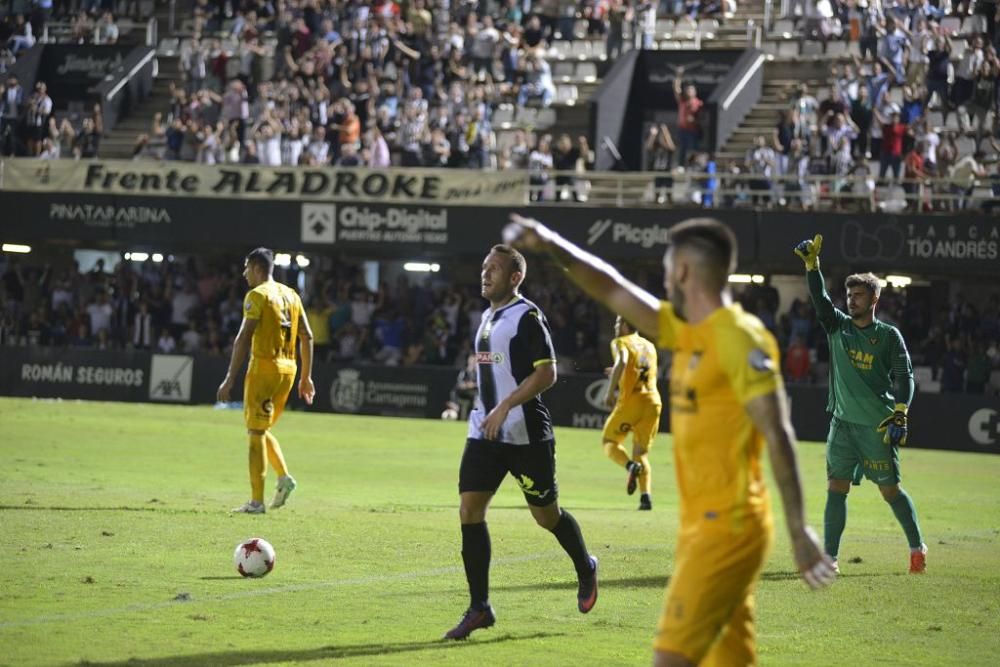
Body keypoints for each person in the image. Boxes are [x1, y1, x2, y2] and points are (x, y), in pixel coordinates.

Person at [503, 215, 834, 666]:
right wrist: (550, 242)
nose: (662, 276)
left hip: (728, 529)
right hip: (705, 525)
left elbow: (778, 433)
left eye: (666, 265)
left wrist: (799, 530)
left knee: (670, 659)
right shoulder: (686, 331)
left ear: (683, 271)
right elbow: (611, 286)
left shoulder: (739, 339)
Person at [445, 244, 598, 641]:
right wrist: (485, 410)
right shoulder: (485, 318)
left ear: (515, 278)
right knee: (469, 510)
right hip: (484, 433)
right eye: (483, 267)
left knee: (546, 516)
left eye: (493, 269)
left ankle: (585, 566)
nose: (485, 274)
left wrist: (506, 406)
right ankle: (480, 607)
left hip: (525, 436)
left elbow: (546, 374)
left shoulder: (527, 317)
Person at [794, 235, 926, 574]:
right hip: (842, 424)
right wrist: (813, 267)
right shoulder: (837, 326)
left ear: (875, 298)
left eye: (859, 295)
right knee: (835, 488)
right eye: (849, 295)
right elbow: (821, 301)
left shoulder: (888, 336)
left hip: (876, 426)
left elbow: (905, 376)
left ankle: (916, 548)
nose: (851, 300)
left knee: (890, 491)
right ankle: (831, 558)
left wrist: (901, 412)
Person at [217, 248, 315, 514]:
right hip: (289, 369)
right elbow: (307, 336)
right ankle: (283, 479)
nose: (244, 273)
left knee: (255, 432)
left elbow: (243, 337)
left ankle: (256, 502)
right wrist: (306, 377)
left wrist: (229, 378)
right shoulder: (291, 295)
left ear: (257, 267)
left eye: (246, 268)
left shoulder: (257, 295)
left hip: (264, 367)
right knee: (260, 429)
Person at [601, 315, 661, 511]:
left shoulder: (620, 342)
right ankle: (646, 498)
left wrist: (610, 391)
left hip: (631, 403)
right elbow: (641, 370)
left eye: (618, 323)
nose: (616, 326)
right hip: (653, 402)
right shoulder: (649, 346)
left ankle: (629, 467)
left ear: (626, 325)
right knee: (640, 452)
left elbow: (622, 362)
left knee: (609, 442)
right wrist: (619, 375)